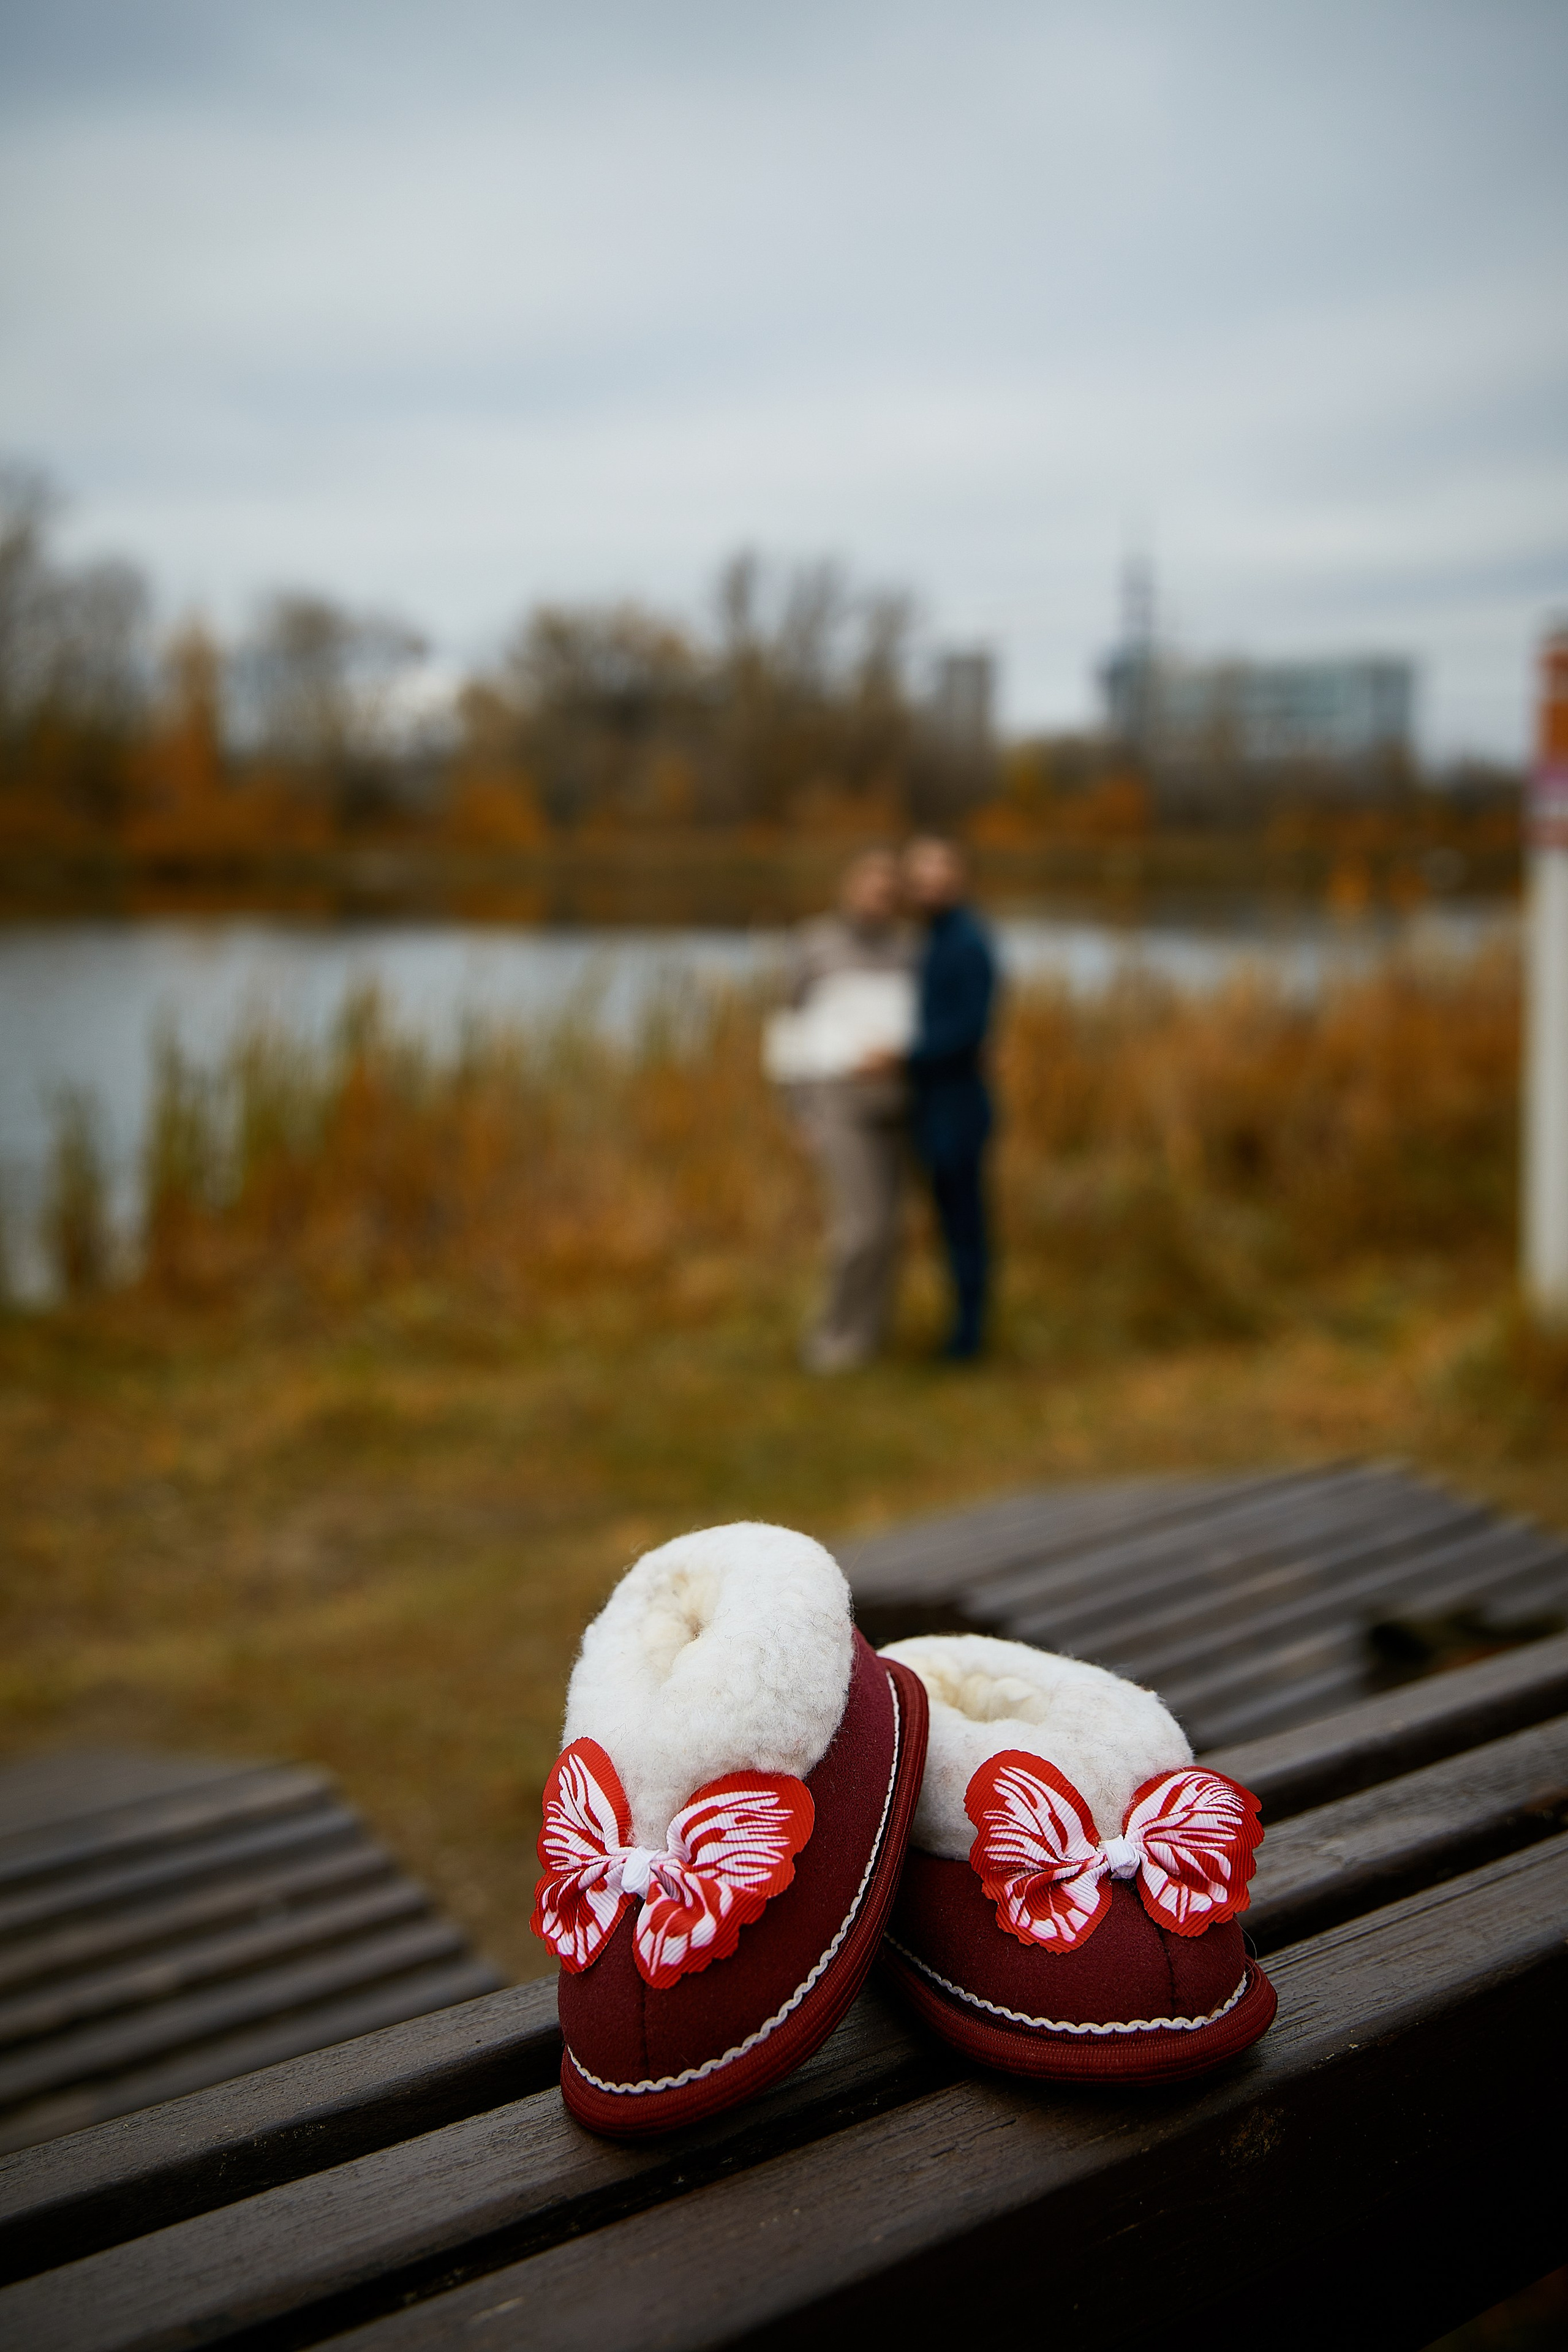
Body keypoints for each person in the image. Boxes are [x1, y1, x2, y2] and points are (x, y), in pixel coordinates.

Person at [774, 849, 916, 1373]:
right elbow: (789, 1028)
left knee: (891, 1227)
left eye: (888, 890)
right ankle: (832, 1339)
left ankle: (871, 1335)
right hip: (838, 1103)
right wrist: (798, 1109)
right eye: (869, 887)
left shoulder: (909, 950)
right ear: (848, 887)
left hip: (899, 1106)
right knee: (859, 1227)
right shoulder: (814, 945)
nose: (878, 898)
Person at [902, 835, 997, 1359]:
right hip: (934, 1104)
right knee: (951, 1220)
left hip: (958, 1107)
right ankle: (961, 1328)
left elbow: (969, 1029)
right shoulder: (932, 938)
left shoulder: (966, 941)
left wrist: (903, 1056)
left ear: (958, 878)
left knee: (966, 1221)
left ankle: (969, 1337)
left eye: (938, 874)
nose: (928, 885)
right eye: (919, 878)